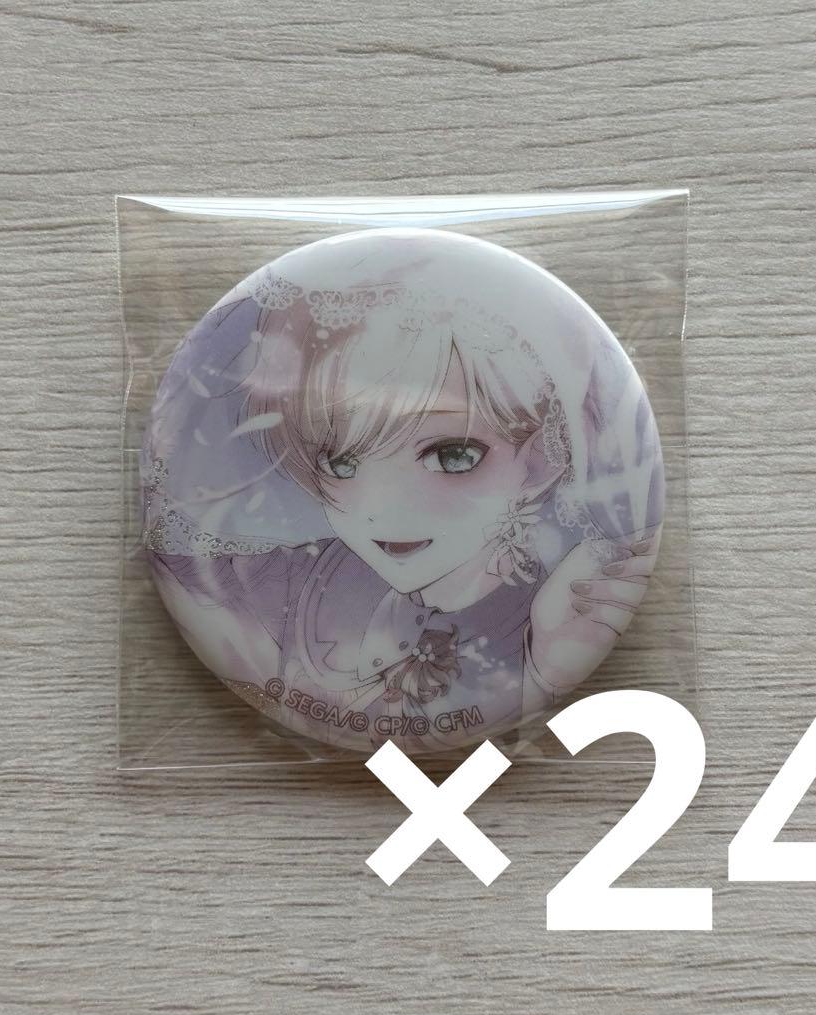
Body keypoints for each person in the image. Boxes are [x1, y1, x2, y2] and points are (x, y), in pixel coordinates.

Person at [142, 229, 662, 754]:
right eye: (341, 461)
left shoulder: (558, 616)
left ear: (541, 461)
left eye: (452, 456)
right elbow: (182, 565)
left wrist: (545, 669)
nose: (381, 508)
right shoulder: (300, 580)